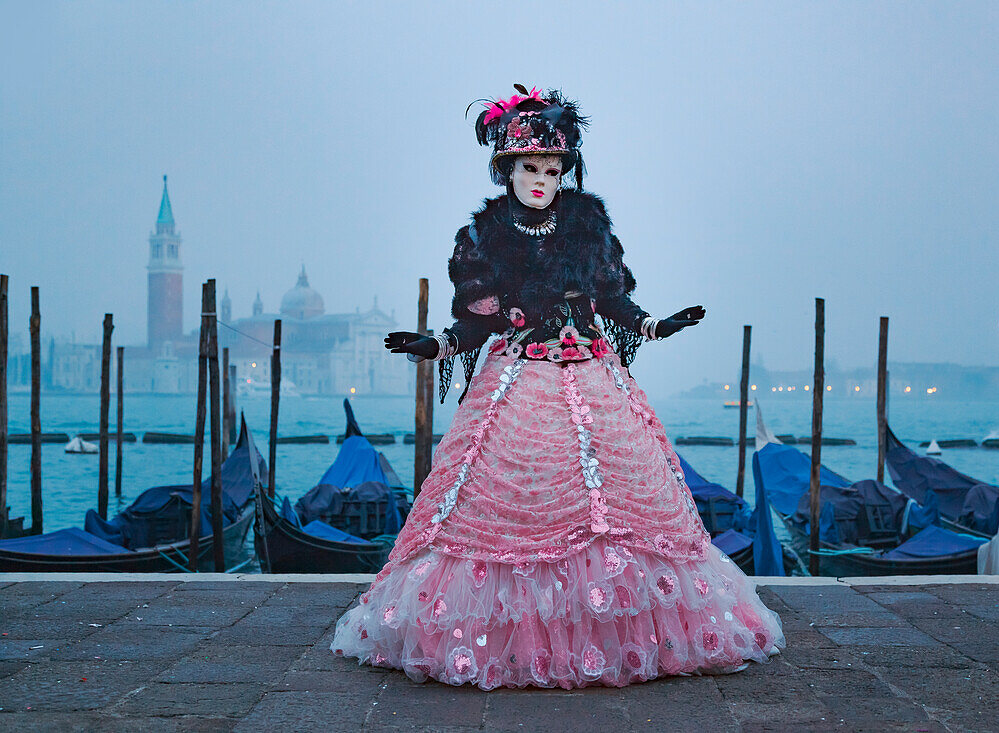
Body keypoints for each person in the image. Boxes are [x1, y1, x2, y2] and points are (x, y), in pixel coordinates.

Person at [331, 85, 784, 688]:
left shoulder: (589, 227)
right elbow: (480, 320)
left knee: (625, 501)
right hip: (520, 378)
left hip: (594, 373)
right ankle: (517, 637)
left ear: (565, 171)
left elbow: (614, 301)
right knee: (509, 497)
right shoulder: (484, 239)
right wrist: (436, 345)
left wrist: (654, 325)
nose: (541, 179)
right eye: (529, 167)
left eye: (552, 168)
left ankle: (615, 635)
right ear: (507, 170)